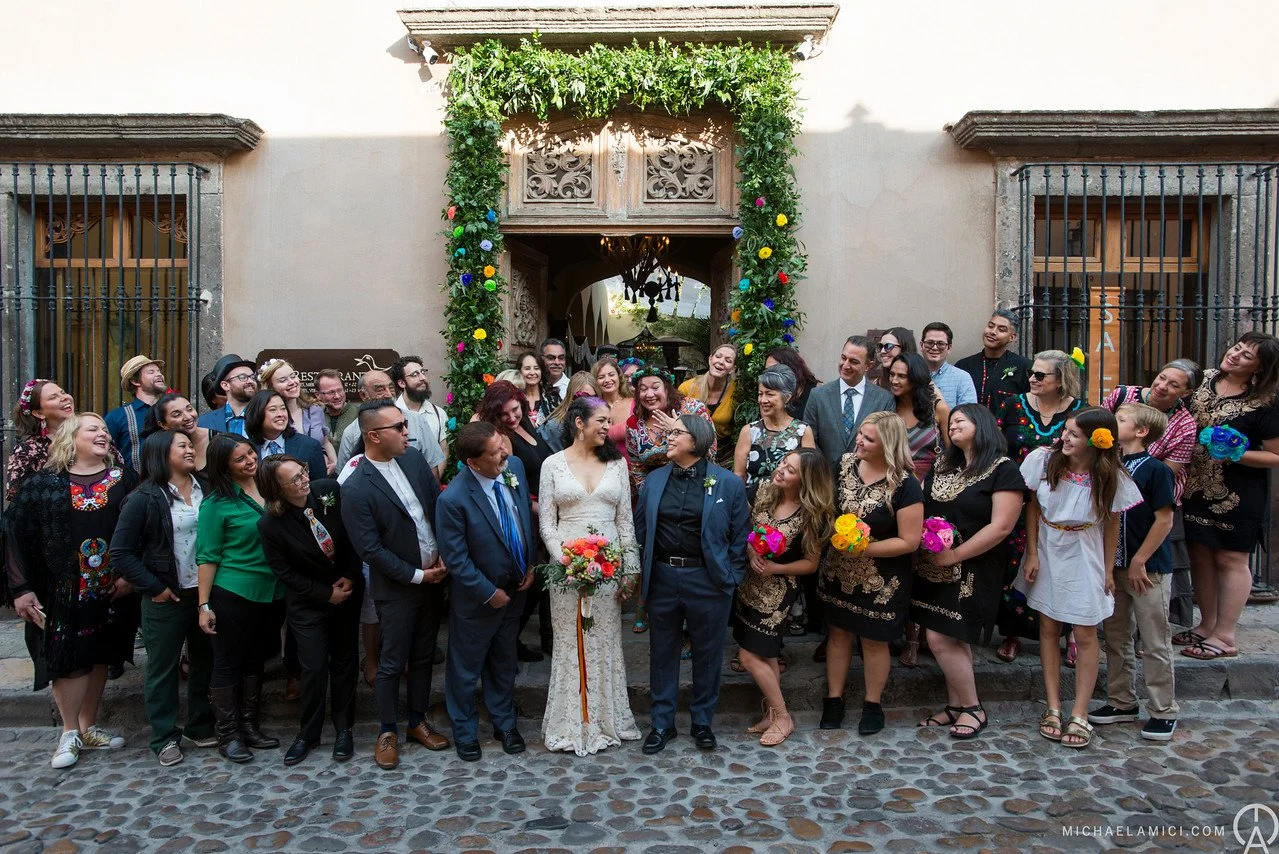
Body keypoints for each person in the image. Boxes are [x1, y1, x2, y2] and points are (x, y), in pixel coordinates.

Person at [4, 413, 136, 769]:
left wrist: (130, 575)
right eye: (93, 429)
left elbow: (143, 528)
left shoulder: (124, 479)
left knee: (99, 653)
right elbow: (14, 535)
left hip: (113, 590)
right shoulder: (43, 484)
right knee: (68, 658)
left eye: (106, 431)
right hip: (62, 592)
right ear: (70, 438)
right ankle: (68, 732)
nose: (103, 434)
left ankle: (88, 727)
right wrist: (21, 589)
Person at [1016, 407, 1141, 749]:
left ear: (1095, 439)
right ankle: (1053, 706)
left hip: (1084, 553)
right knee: (1048, 627)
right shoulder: (1045, 461)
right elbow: (1033, 507)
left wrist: (1107, 570)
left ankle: (1081, 712)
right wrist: (1032, 553)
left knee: (1086, 631)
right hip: (1047, 547)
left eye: (1072, 433)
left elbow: (1112, 522)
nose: (1064, 438)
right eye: (1065, 431)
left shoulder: (1110, 476)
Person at [340, 401, 450, 769]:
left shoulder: (414, 460)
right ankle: (387, 730)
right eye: (399, 426)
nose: (407, 432)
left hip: (435, 579)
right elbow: (370, 549)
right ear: (374, 436)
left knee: (423, 656)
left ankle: (417, 722)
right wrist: (418, 574)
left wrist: (445, 557)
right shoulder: (356, 486)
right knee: (391, 662)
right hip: (399, 586)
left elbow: (436, 508)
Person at [634, 414, 749, 754]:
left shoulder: (727, 484)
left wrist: (730, 578)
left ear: (696, 441)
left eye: (676, 433)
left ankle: (702, 722)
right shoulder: (654, 481)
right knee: (662, 652)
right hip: (663, 577)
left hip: (709, 580)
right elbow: (641, 531)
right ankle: (661, 723)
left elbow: (739, 536)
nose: (668, 438)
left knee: (708, 652)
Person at [910, 404, 1023, 739]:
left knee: (941, 636)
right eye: (951, 421)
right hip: (934, 565)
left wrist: (955, 555)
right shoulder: (943, 466)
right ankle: (955, 706)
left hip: (975, 566)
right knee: (949, 636)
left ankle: (973, 708)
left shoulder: (1003, 469)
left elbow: (1002, 527)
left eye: (961, 420)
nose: (953, 425)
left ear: (983, 425)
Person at [537, 397, 643, 755]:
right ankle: (571, 722)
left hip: (609, 568)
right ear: (578, 423)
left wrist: (631, 570)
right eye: (601, 420)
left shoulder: (616, 466)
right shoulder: (552, 464)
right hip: (566, 569)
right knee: (571, 641)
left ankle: (606, 720)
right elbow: (547, 523)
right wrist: (564, 560)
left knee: (604, 640)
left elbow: (625, 522)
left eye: (609, 421)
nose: (607, 427)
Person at [109, 430, 214, 767]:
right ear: (161, 454)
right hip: (165, 596)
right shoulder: (144, 498)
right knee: (162, 667)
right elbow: (121, 553)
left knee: (204, 661)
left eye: (189, 444)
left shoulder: (206, 488)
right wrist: (154, 587)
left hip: (205, 594)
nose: (189, 449)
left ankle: (200, 725)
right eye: (181, 446)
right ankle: (164, 735)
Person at [817, 412, 923, 736]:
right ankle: (833, 700)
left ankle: (872, 704)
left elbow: (909, 540)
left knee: (874, 641)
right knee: (838, 635)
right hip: (837, 572)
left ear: (888, 445)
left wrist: (863, 548)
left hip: (880, 579)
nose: (859, 441)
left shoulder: (905, 484)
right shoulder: (844, 464)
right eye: (860, 435)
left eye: (868, 439)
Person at [437, 421, 535, 762]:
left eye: (502, 445)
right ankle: (464, 731)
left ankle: (504, 723)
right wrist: (487, 591)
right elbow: (456, 558)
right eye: (495, 453)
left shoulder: (514, 468)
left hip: (515, 592)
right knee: (466, 669)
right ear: (473, 463)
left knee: (504, 662)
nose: (504, 453)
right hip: (478, 600)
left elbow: (524, 519)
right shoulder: (453, 499)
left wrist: (531, 565)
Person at [1181, 331, 1279, 661]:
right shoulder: (1203, 380)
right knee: (1201, 553)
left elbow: (1275, 456)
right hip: (1193, 485)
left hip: (1237, 492)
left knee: (1229, 558)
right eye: (1236, 347)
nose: (1235, 355)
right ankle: (1206, 625)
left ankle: (1225, 635)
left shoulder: (1266, 400)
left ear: (1259, 369)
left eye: (1247, 355)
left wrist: (1238, 452)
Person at [258, 456, 363, 765]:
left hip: (347, 589)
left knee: (345, 660)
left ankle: (344, 729)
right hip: (308, 602)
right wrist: (324, 594)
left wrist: (352, 576)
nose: (304, 480)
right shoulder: (270, 525)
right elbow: (285, 572)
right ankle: (308, 732)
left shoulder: (330, 490)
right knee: (314, 665)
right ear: (276, 489)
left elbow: (356, 534)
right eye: (294, 479)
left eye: (303, 472)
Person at [1088, 403, 1179, 741]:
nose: (1114, 422)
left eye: (1122, 420)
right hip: (1115, 567)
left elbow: (1164, 519)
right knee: (1116, 636)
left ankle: (1162, 709)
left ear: (1141, 432)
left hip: (1147, 569)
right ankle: (1121, 699)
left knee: (1154, 639)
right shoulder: (1109, 464)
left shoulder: (1156, 470)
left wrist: (1140, 559)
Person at [733, 448, 832, 746]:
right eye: (783, 464)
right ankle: (771, 715)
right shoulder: (765, 490)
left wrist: (777, 567)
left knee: (749, 656)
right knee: (766, 654)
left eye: (790, 470)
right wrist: (751, 551)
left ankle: (784, 716)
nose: (780, 471)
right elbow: (747, 531)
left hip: (777, 594)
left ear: (805, 481)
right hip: (749, 584)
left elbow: (811, 564)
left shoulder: (811, 515)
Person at [994, 349, 1085, 662]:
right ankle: (1012, 632)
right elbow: (997, 447)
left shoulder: (1079, 412)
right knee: (1015, 562)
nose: (1031, 378)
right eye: (1032, 373)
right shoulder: (1013, 404)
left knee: (1063, 565)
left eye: (1040, 375)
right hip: (1017, 498)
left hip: (1063, 502)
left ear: (1060, 381)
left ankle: (1070, 632)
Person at [196, 435, 282, 763]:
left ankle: (249, 726)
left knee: (255, 660)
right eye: (240, 459)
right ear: (224, 467)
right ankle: (228, 734)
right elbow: (207, 556)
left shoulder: (269, 488)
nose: (250, 461)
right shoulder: (216, 504)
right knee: (227, 662)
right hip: (233, 591)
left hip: (271, 591)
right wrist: (204, 605)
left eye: (251, 453)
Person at [1101, 359, 1201, 628]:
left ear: (1186, 393)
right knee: (1117, 620)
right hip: (1110, 498)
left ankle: (1150, 637)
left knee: (1149, 591)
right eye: (1161, 377)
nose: (1162, 386)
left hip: (1148, 505)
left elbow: (1165, 476)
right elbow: (1097, 430)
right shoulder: (1123, 395)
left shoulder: (1184, 425)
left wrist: (1131, 475)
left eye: (1174, 384)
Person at [475, 380, 554, 661]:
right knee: (531, 580)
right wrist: (543, 510)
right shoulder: (503, 437)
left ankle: (519, 642)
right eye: (504, 414)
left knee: (538, 580)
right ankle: (507, 646)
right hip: (529, 514)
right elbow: (510, 488)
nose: (511, 417)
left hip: (543, 506)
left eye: (515, 410)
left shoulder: (526, 424)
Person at [803, 336, 896, 472]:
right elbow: (809, 441)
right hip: (825, 481)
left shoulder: (884, 399)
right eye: (843, 358)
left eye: (854, 362)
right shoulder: (818, 395)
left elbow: (886, 444)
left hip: (866, 481)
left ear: (868, 365)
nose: (846, 365)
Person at [626, 366, 715, 494]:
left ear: (667, 388)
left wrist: (677, 428)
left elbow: (710, 451)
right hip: (657, 491)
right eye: (643, 389)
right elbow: (637, 467)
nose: (649, 394)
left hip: (698, 485)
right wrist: (649, 496)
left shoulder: (693, 409)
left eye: (655, 388)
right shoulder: (634, 423)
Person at [732, 364, 816, 499]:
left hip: (789, 506)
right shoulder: (750, 431)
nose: (763, 400)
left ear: (787, 398)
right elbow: (738, 478)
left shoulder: (802, 431)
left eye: (769, 394)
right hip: (752, 506)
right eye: (760, 394)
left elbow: (809, 477)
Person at [258, 359, 336, 475]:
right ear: (270, 387)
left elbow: (325, 442)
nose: (291, 382)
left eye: (293, 376)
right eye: (283, 380)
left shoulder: (315, 410)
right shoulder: (271, 419)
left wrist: (334, 461)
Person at [6, 379, 77, 500]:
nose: (64, 397)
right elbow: (17, 497)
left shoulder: (91, 436)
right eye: (53, 397)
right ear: (39, 413)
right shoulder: (28, 451)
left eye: (63, 392)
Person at [956, 309, 1031, 414]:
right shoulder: (964, 365)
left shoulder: (1024, 367)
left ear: (1012, 337)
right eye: (991, 326)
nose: (992, 332)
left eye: (1001, 329)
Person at [888, 353, 950, 480]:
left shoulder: (938, 408)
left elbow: (952, 452)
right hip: (894, 482)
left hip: (930, 483)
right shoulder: (887, 407)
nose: (894, 380)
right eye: (892, 374)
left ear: (916, 378)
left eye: (901, 376)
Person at [104, 355, 167, 473]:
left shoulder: (173, 411)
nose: (159, 374)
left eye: (159, 371)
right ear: (135, 381)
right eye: (151, 372)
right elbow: (107, 455)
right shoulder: (117, 417)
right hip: (133, 488)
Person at [679, 343, 738, 465]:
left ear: (732, 368)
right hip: (690, 453)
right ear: (710, 359)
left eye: (728, 360)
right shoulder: (687, 388)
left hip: (724, 457)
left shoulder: (736, 393)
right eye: (718, 356)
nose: (721, 362)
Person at [390, 355, 449, 477]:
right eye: (415, 374)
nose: (423, 378)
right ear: (401, 383)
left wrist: (432, 481)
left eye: (423, 372)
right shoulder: (391, 413)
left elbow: (443, 450)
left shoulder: (438, 413)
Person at [244, 389, 327, 476]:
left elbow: (319, 486)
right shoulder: (248, 449)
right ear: (257, 414)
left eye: (283, 409)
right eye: (273, 410)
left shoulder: (310, 446)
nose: (280, 414)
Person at [145, 393, 220, 475]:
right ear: (163, 424)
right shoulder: (161, 449)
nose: (188, 417)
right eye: (177, 415)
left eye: (189, 409)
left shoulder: (218, 438)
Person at [197, 354, 258, 436]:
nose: (250, 381)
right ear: (225, 385)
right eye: (243, 377)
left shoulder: (265, 416)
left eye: (253, 377)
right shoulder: (204, 422)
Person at [920, 323, 977, 409]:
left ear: (949, 348)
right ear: (921, 345)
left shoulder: (962, 378)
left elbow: (969, 416)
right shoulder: (911, 374)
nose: (935, 347)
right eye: (929, 343)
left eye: (940, 344)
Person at [539, 372, 598, 453]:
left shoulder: (598, 420)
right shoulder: (556, 426)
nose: (586, 403)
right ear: (571, 397)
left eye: (592, 398)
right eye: (581, 397)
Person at [593, 356, 633, 457]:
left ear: (619, 377)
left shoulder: (634, 403)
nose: (607, 380)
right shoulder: (592, 408)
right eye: (601, 377)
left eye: (611, 375)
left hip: (633, 467)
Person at [765, 347, 821, 420]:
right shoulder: (768, 393)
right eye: (767, 372)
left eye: (775, 371)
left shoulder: (816, 392)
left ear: (791, 369)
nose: (769, 376)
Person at [315, 369, 359, 442]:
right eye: (331, 392)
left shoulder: (360, 414)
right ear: (318, 395)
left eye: (339, 390)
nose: (337, 396)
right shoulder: (315, 417)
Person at [515, 352, 554, 428]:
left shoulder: (552, 397)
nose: (532, 373)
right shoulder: (514, 398)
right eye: (527, 368)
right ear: (519, 371)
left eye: (536, 368)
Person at [541, 337, 570, 402]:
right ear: (542, 359)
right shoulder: (535, 385)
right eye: (551, 358)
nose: (557, 362)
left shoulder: (572, 388)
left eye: (561, 358)